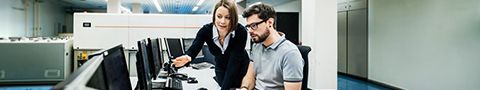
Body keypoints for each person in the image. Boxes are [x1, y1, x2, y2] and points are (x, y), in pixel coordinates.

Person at [172, 0, 249, 89]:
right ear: (214, 16)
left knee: (236, 86)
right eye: (219, 16)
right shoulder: (206, 30)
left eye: (228, 17)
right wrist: (188, 57)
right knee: (221, 84)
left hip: (240, 67)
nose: (222, 21)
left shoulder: (240, 32)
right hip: (221, 68)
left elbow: (234, 62)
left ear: (234, 18)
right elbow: (195, 47)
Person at [240, 3, 304, 90]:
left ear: (270, 22)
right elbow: (250, 77)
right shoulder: (256, 47)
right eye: (248, 27)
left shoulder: (290, 53)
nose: (250, 31)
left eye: (254, 26)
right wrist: (244, 88)